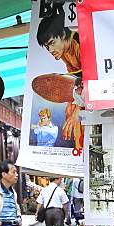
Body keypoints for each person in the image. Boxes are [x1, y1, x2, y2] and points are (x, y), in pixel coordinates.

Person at [37, 10, 82, 147]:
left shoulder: (80, 42)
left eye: (52, 42)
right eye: (46, 46)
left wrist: (78, 109)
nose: (50, 50)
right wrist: (72, 101)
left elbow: (92, 78)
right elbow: (75, 75)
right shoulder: (64, 52)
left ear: (63, 34)